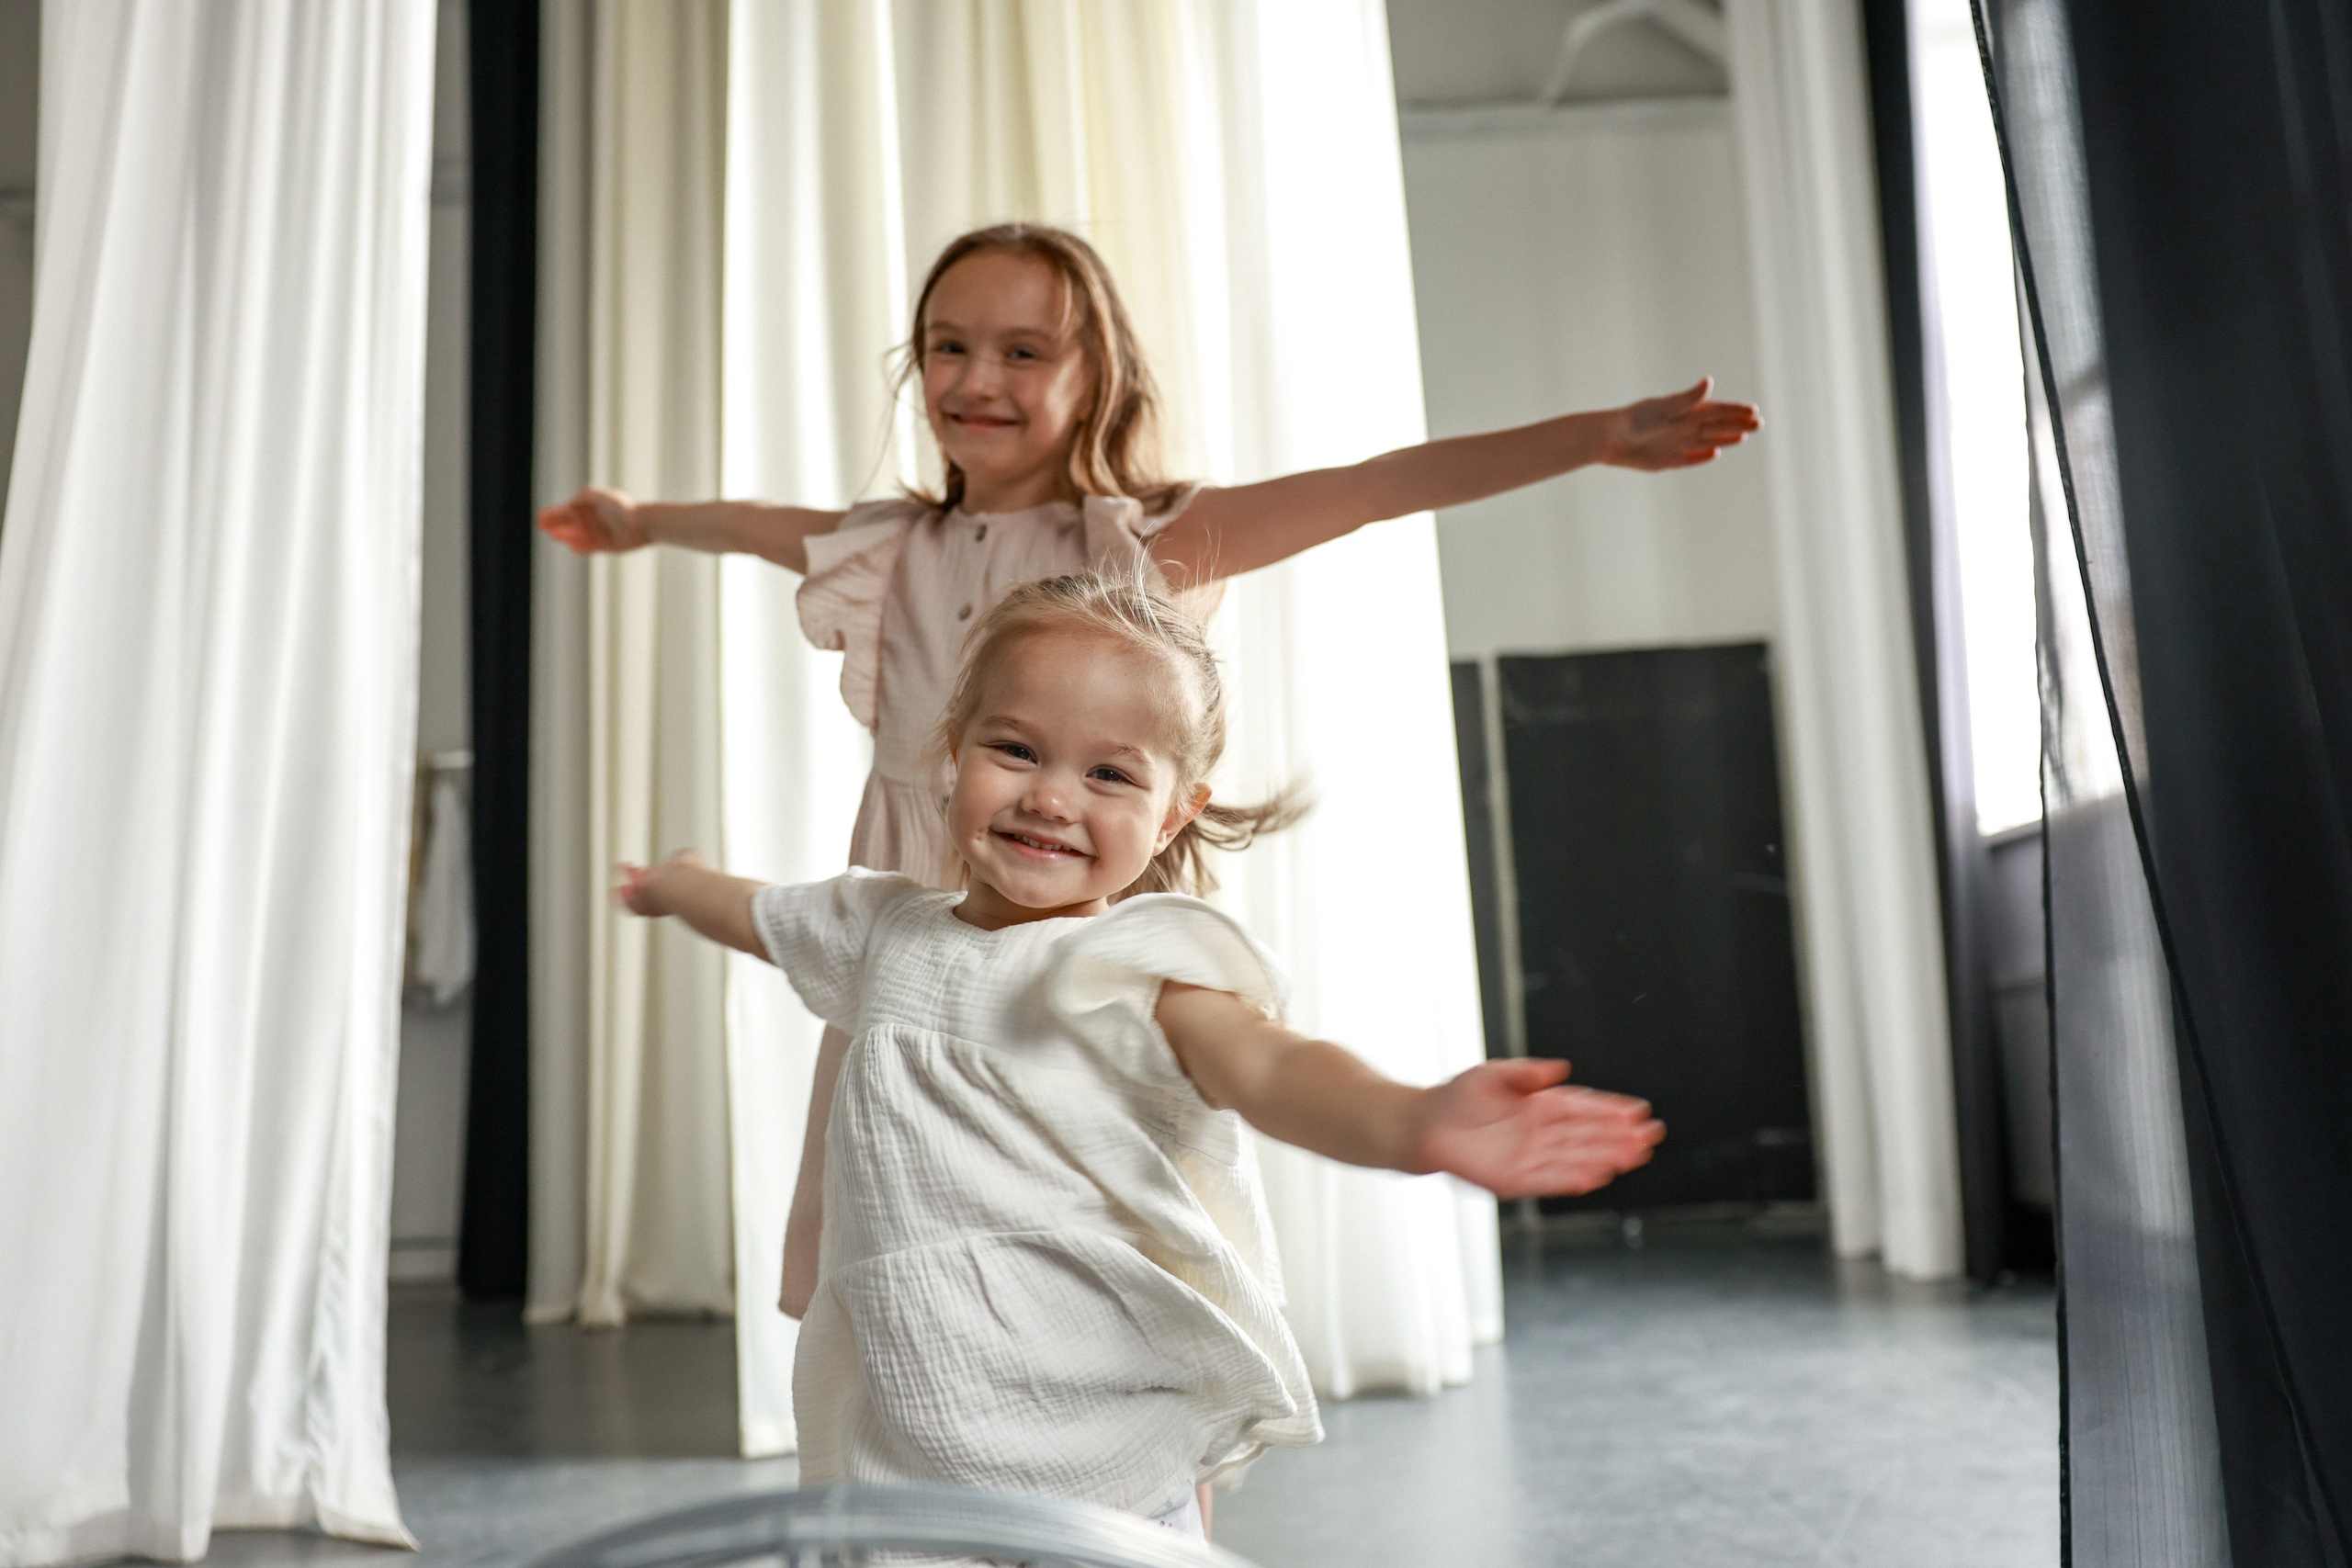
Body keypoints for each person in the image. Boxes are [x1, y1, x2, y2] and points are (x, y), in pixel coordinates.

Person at [541, 221, 1755, 1316]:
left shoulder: (1136, 540)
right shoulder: (889, 547)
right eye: (948, 346)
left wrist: (1594, 438)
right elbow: (745, 520)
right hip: (918, 934)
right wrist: (638, 517)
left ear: (1092, 379)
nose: (975, 380)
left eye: (1023, 352)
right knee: (907, 1243)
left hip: (1085, 927)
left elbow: (1373, 491)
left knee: (1118, 1237)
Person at [613, 570, 1665, 1539]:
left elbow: (1268, 1066)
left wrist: (1408, 1121)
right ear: (952, 750)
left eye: (1109, 773)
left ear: (1174, 814)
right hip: (914, 1415)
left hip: (1096, 1429)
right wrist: (673, 884)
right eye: (1015, 750)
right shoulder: (882, 929)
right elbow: (756, 915)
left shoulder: (1132, 963)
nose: (1051, 797)